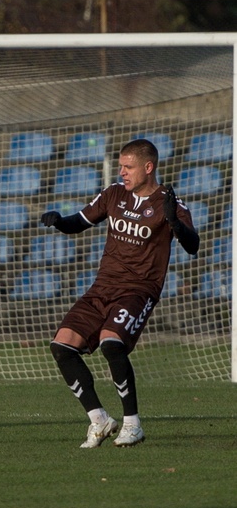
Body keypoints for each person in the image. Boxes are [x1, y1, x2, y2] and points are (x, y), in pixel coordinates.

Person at [41, 138, 199, 449]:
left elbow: (193, 246)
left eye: (128, 167)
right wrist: (60, 222)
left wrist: (175, 225)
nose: (122, 172)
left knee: (111, 343)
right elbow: (80, 222)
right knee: (62, 346)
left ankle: (133, 424)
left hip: (139, 290)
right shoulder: (113, 194)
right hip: (103, 286)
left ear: (148, 167)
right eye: (121, 167)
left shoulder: (171, 203)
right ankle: (99, 420)